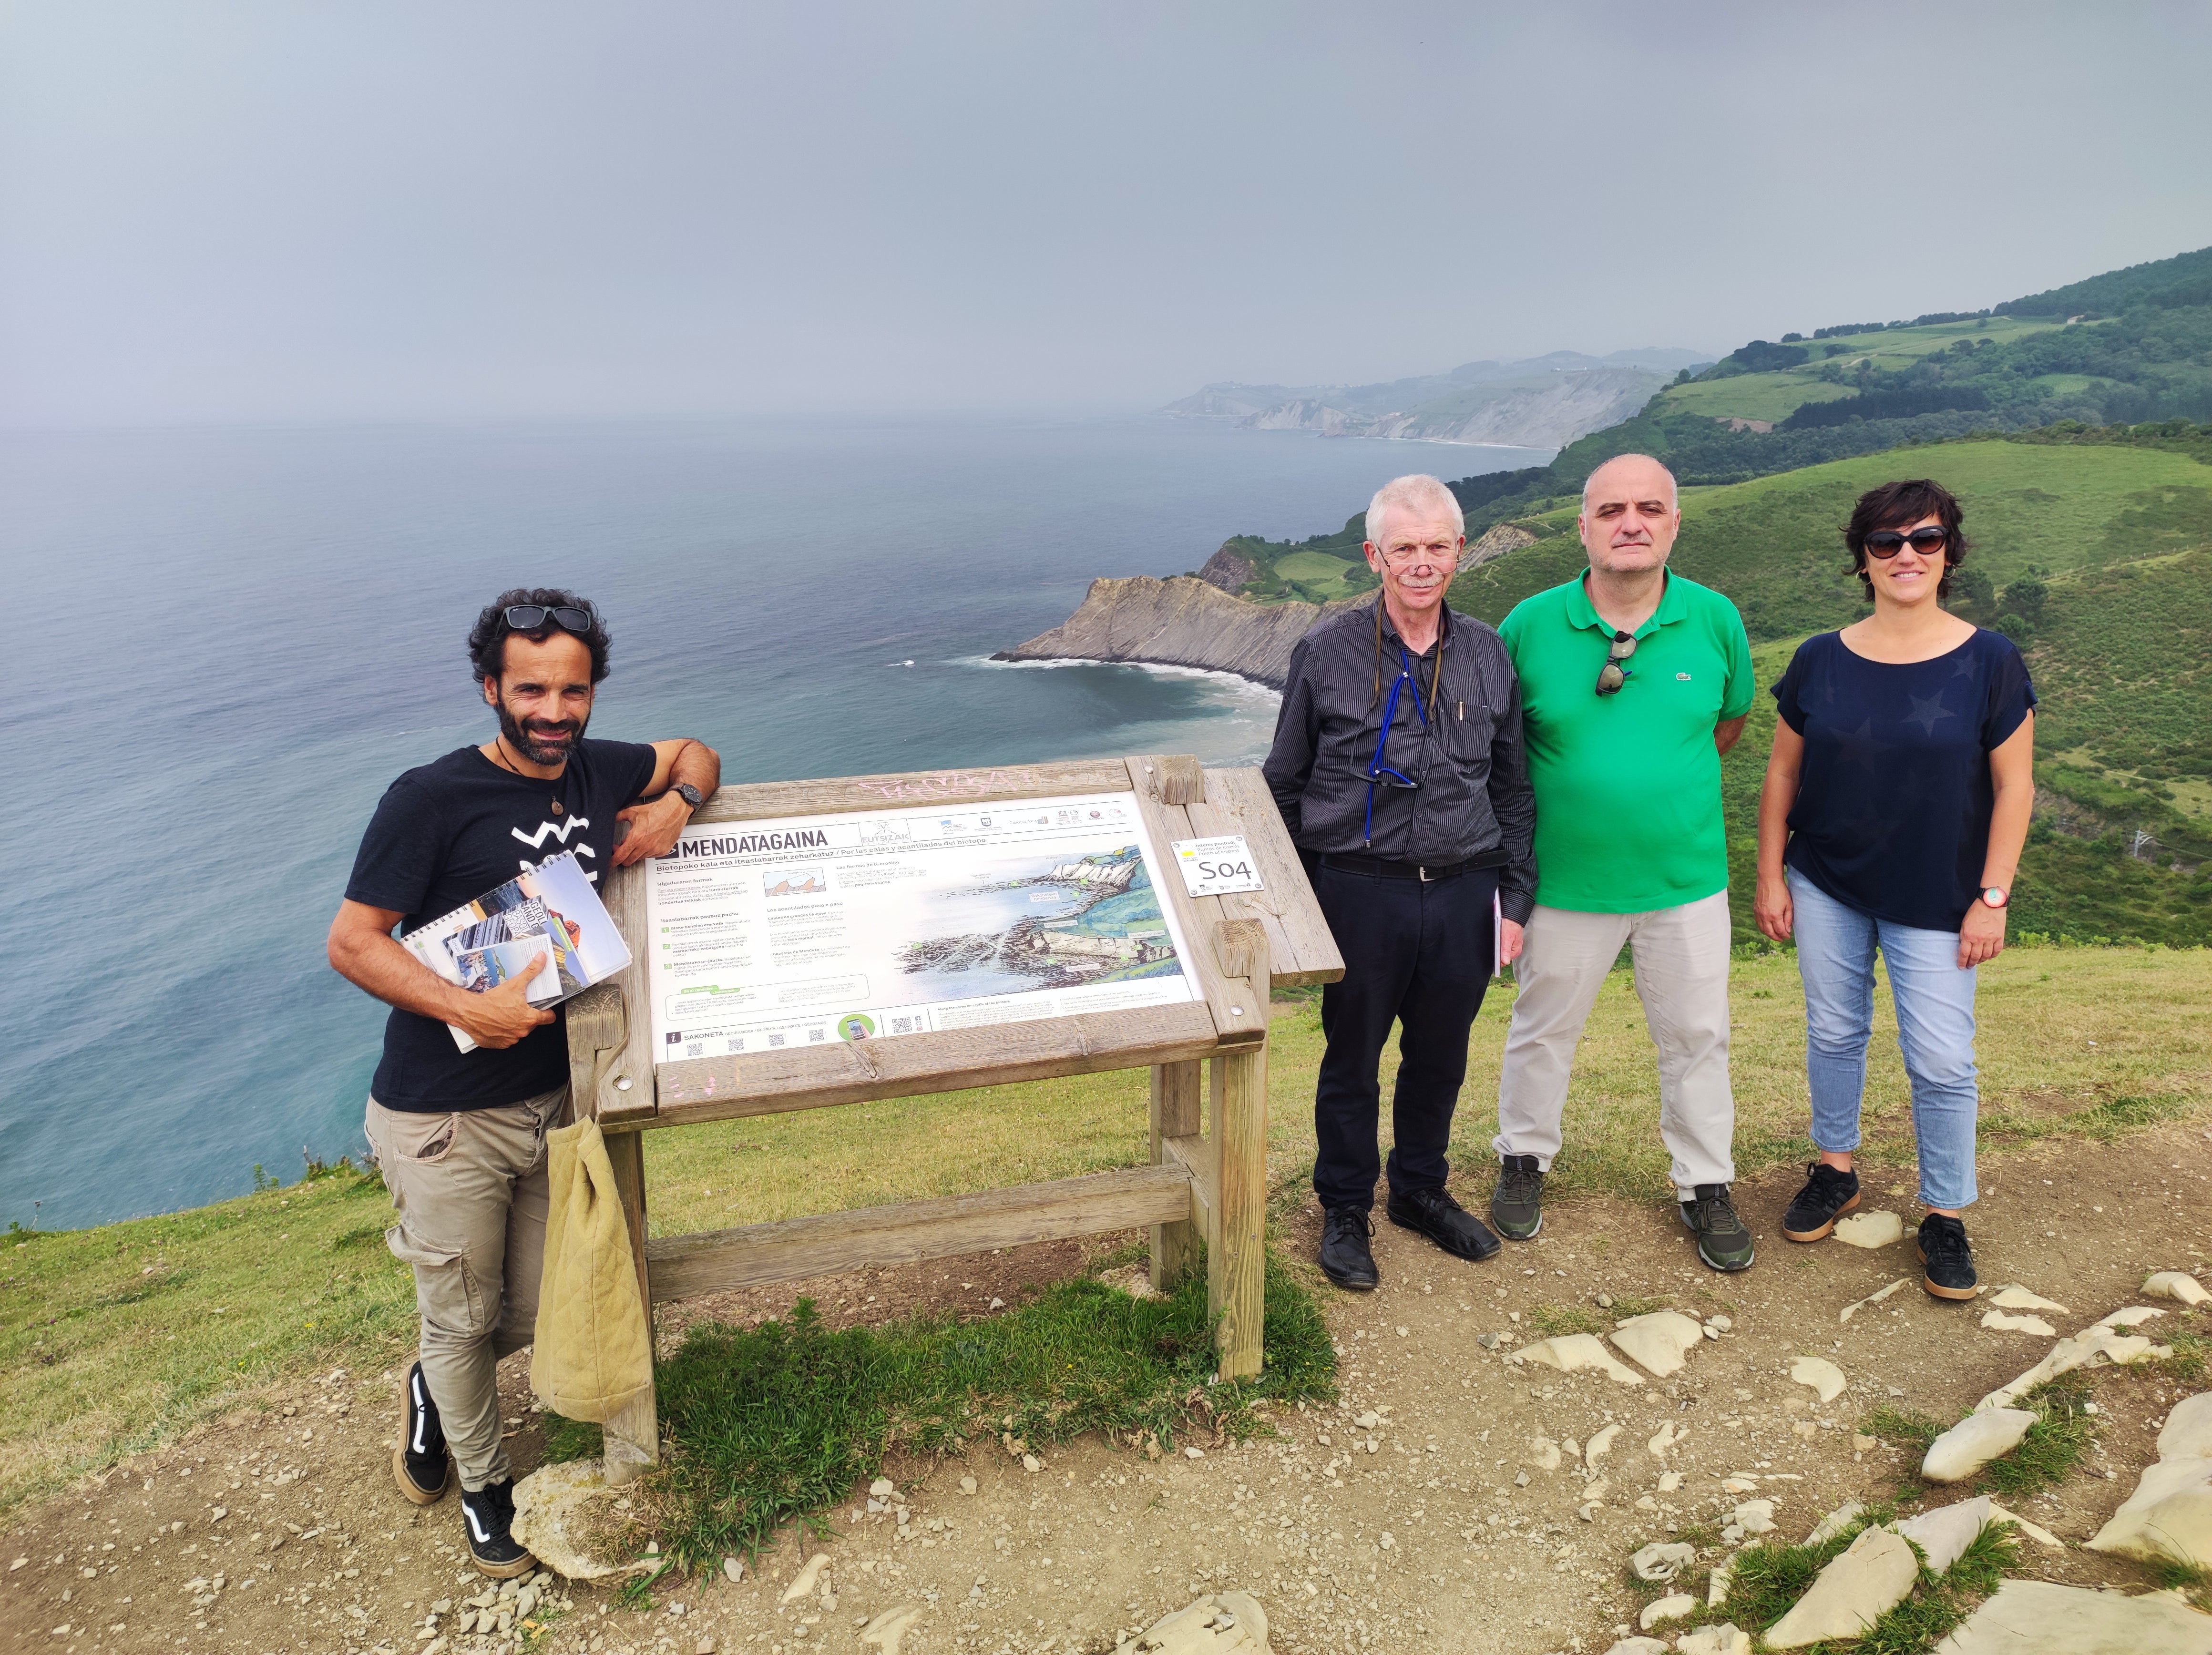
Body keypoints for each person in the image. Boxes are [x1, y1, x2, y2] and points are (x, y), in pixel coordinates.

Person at [327, 589, 720, 1574]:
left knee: (538, 1303)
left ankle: (434, 1381)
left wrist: (674, 805)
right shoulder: (428, 798)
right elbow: (353, 941)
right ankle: (484, 1486)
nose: (554, 711)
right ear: (490, 689)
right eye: (531, 690)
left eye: (572, 691)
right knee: (463, 1314)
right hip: (443, 1117)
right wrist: (470, 1006)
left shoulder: (595, 768)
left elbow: (693, 750)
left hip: (559, 1103)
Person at [1754, 480, 2033, 1301]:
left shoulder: (1991, 659)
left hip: (1942, 891)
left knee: (1942, 1058)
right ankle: (1835, 1170)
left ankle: (1944, 1212)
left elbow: (2015, 787)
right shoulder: (1819, 657)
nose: (1906, 554)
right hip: (1827, 879)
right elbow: (1782, 773)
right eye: (1886, 541)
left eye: (1925, 539)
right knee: (1835, 1030)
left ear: (1949, 553)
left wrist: (1993, 896)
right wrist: (1770, 874)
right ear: (1863, 559)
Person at [1264, 473, 1537, 1291]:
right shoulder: (1326, 652)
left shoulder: (1488, 653)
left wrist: (1515, 901)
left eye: (1437, 547)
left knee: (1440, 1056)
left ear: (1460, 551)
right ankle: (1345, 1207)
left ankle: (1419, 1190)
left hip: (1464, 890)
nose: (1422, 563)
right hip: (1358, 889)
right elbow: (1284, 782)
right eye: (1404, 547)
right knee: (1352, 1059)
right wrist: (1300, 904)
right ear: (1374, 555)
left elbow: (1513, 788)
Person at [1488, 454, 1760, 1271]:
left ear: (1674, 524)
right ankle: (1523, 1159)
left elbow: (1727, 724)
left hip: (1684, 881)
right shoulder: (1529, 625)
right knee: (1542, 1029)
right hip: (1563, 881)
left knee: (1698, 1036)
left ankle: (1705, 1183)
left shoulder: (1715, 620)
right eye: (1611, 511)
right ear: (1584, 528)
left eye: (1649, 509)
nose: (1630, 523)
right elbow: (1500, 749)